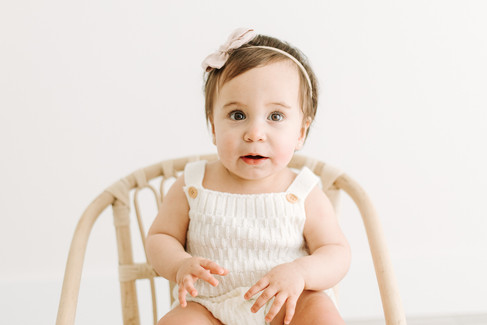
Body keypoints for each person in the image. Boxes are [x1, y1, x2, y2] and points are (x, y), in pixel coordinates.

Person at [146, 27, 351, 325]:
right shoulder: (193, 184)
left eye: (275, 116)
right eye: (237, 115)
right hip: (209, 306)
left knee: (319, 312)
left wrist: (301, 272)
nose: (255, 134)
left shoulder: (302, 190)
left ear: (301, 132)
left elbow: (336, 252)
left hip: (286, 307)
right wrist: (179, 264)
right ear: (213, 127)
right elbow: (160, 237)